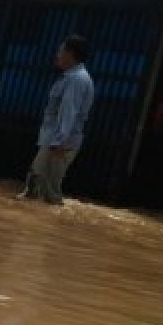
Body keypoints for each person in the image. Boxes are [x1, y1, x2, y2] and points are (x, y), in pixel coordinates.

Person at [19, 35, 95, 206]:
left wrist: (59, 142)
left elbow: (69, 112)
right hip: (57, 141)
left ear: (70, 53)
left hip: (59, 143)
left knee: (46, 191)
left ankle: (52, 224)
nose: (57, 55)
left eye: (60, 51)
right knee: (39, 188)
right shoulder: (73, 77)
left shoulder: (76, 79)